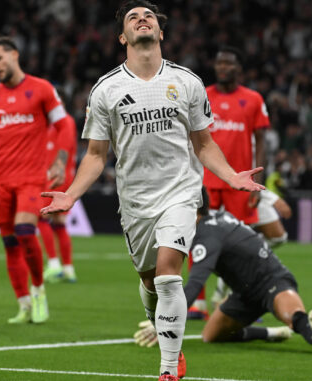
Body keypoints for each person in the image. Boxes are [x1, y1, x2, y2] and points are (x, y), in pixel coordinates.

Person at [40, 2, 265, 380]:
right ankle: (162, 324)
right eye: (133, 17)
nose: (142, 20)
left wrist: (231, 176)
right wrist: (71, 193)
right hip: (135, 201)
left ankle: (168, 367)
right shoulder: (106, 89)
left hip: (180, 191)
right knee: (149, 281)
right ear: (123, 37)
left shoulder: (188, 82)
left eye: (149, 17)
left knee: (167, 275)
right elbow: (96, 155)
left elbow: (204, 144)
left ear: (160, 33)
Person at [134, 187, 312, 356]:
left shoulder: (205, 235)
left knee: (295, 318)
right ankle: (270, 333)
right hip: (245, 293)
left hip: (272, 280)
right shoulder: (215, 218)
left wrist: (166, 319)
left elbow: (196, 283)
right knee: (210, 335)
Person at [0, 36, 71, 325]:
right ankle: (24, 303)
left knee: (25, 229)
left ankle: (39, 289)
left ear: (14, 55)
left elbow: (64, 125)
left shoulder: (41, 89)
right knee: (10, 243)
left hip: (31, 178)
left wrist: (62, 160)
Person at [188, 46, 271, 320]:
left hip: (240, 181)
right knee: (195, 237)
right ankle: (196, 303)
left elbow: (262, 143)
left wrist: (259, 181)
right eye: (219, 62)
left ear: (238, 68)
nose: (222, 67)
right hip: (206, 179)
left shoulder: (254, 99)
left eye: (228, 63)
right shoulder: (202, 95)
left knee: (242, 245)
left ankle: (247, 301)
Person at [37, 113, 78, 283]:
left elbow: (55, 152)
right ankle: (68, 269)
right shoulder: (68, 122)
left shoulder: (60, 123)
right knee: (59, 223)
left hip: (55, 178)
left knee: (41, 217)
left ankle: (54, 265)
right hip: (67, 177)